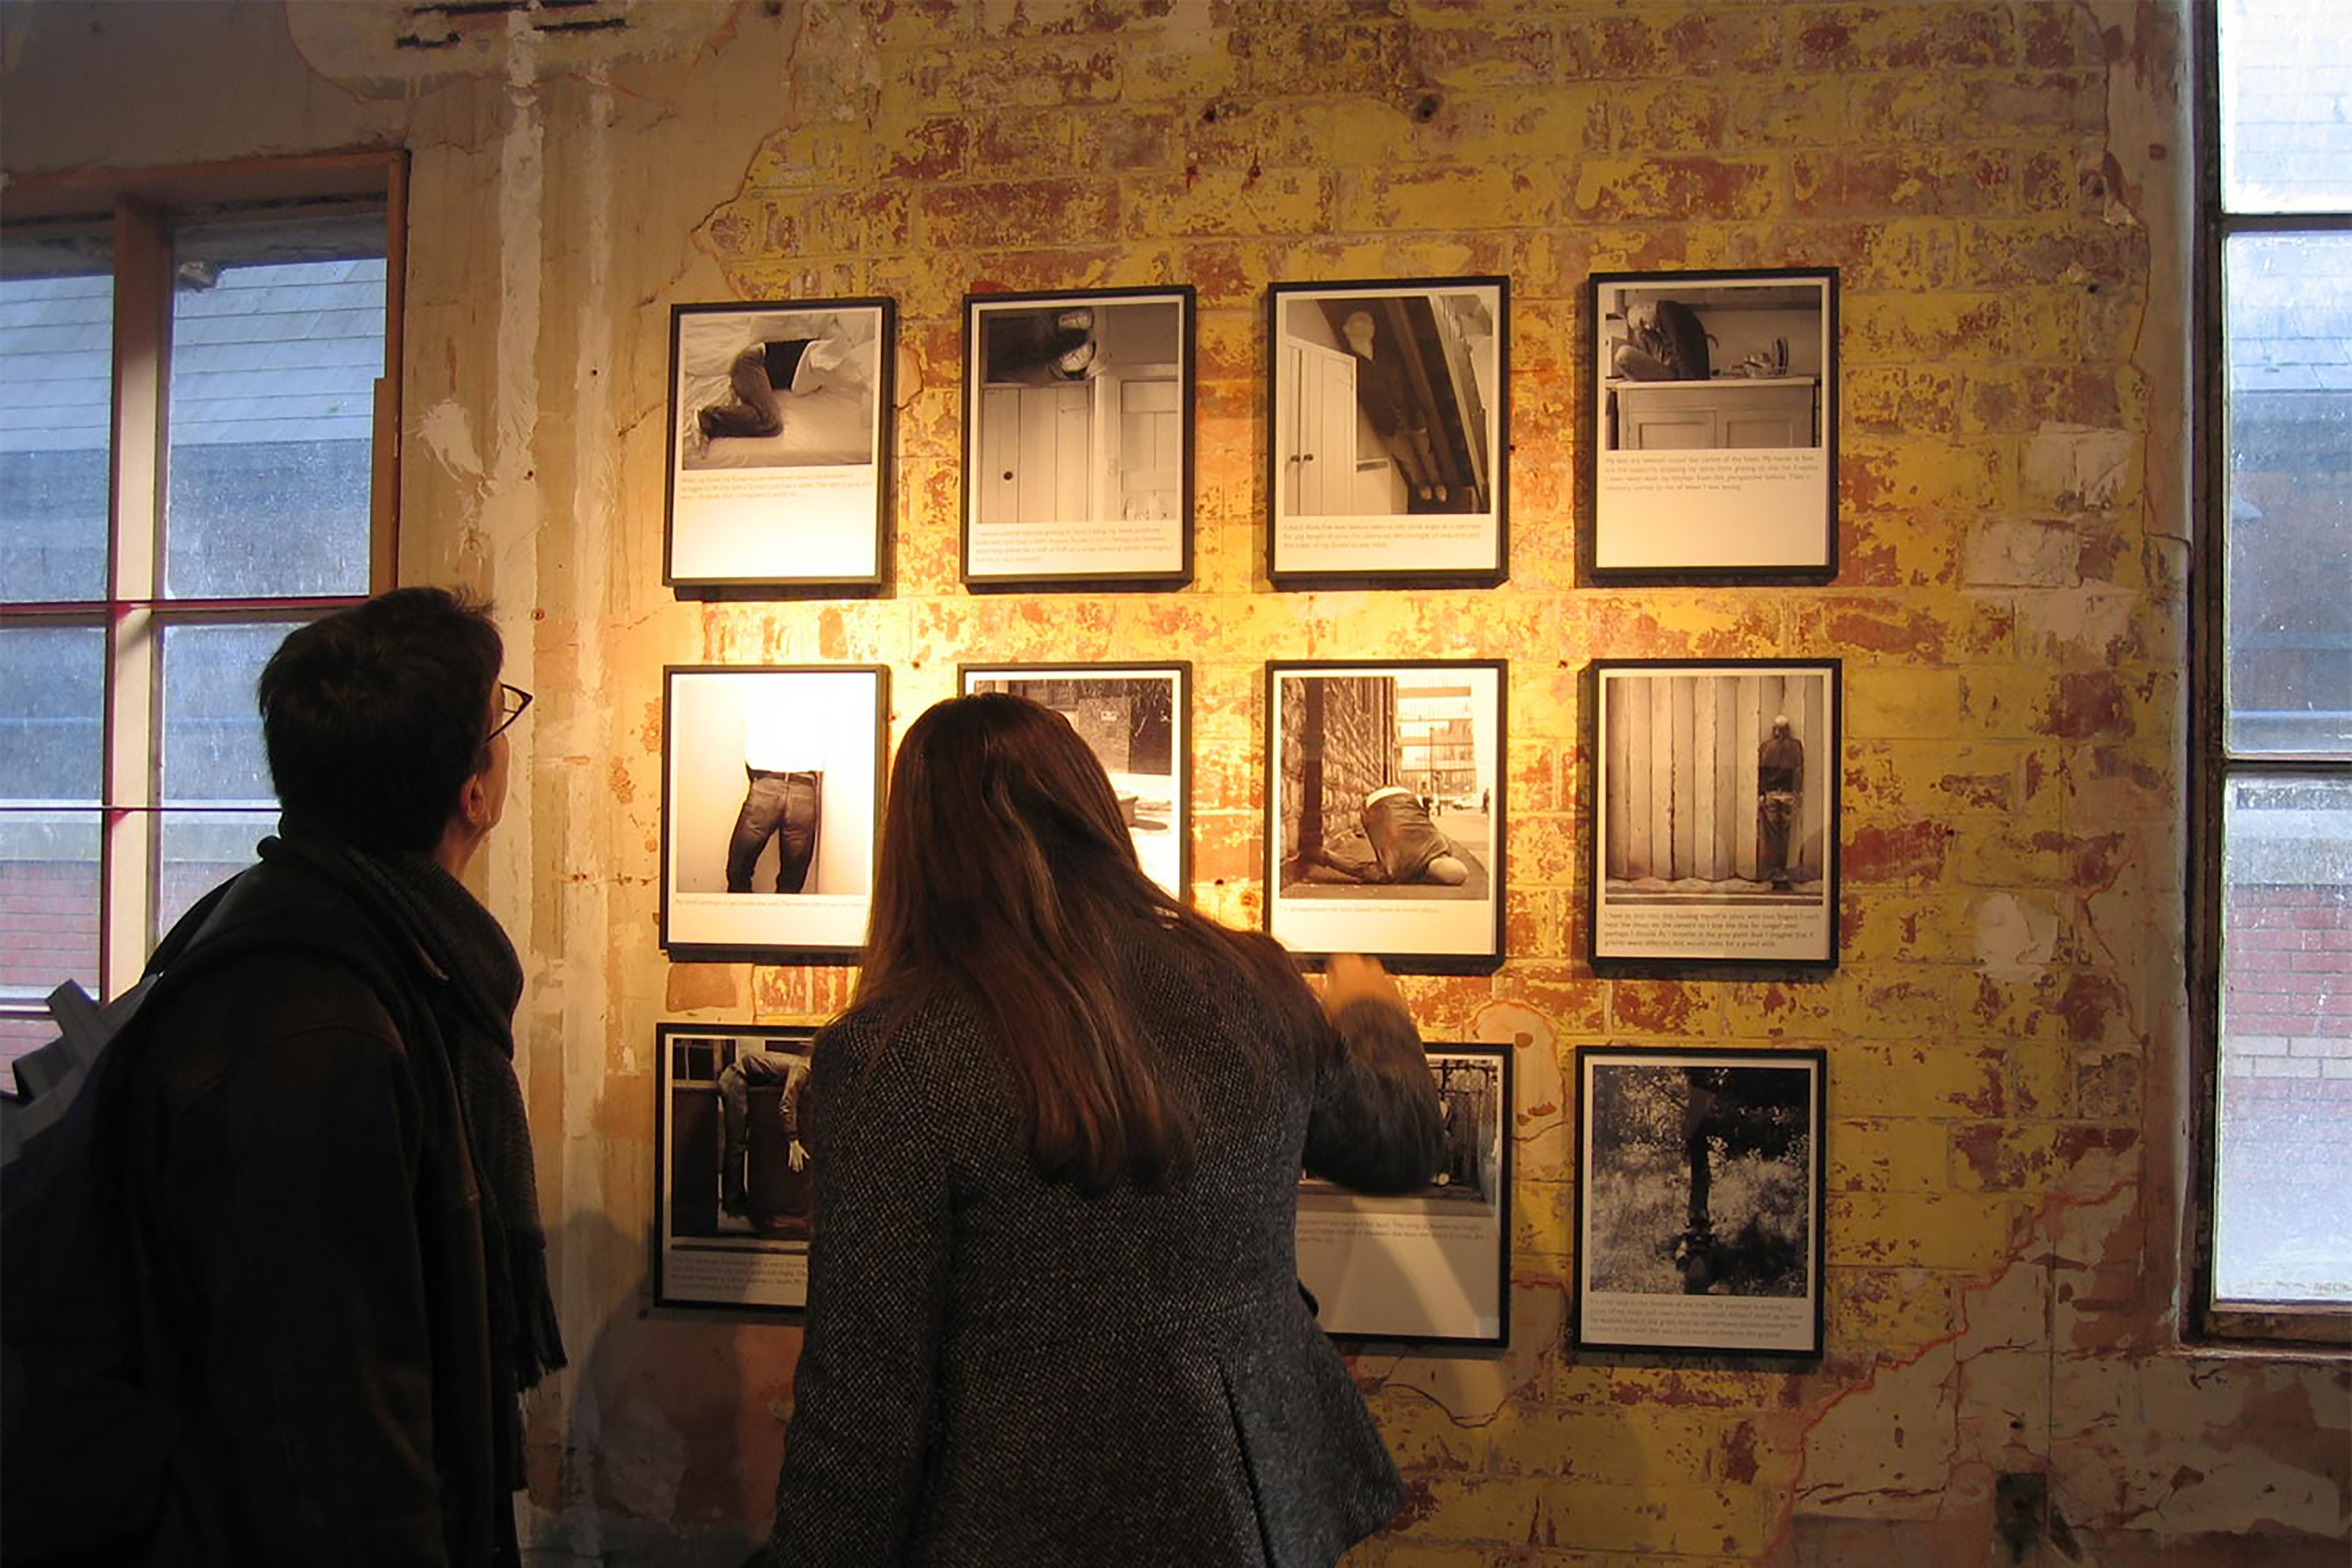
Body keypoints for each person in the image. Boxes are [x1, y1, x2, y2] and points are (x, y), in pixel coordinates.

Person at [763, 693, 1443, 1566]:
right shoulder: (1252, 984)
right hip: (1251, 1511)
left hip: (1021, 1517)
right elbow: (1398, 1143)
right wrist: (1373, 1010)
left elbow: (865, 1394)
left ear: (919, 847)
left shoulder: (896, 1051)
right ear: (1090, 808)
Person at [109, 589, 562, 1564]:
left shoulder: (349, 945)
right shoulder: (316, 1027)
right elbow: (330, 1436)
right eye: (502, 716)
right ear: (473, 791)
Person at [717, 1047, 813, 1226]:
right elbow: (786, 1104)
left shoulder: (806, 1067)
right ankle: (733, 1209)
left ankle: (741, 1205)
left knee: (740, 1144)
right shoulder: (804, 1069)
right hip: (735, 1078)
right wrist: (793, 1141)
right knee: (737, 1145)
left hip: (744, 1079)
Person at [1757, 714, 1805, 891]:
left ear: (1775, 729)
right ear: (1788, 729)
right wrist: (1798, 792)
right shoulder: (1796, 747)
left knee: (1772, 835)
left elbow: (1762, 771)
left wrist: (1761, 794)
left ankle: (1775, 872)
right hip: (1788, 795)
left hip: (1770, 794)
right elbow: (1799, 771)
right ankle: (1783, 872)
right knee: (1785, 835)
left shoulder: (1766, 747)